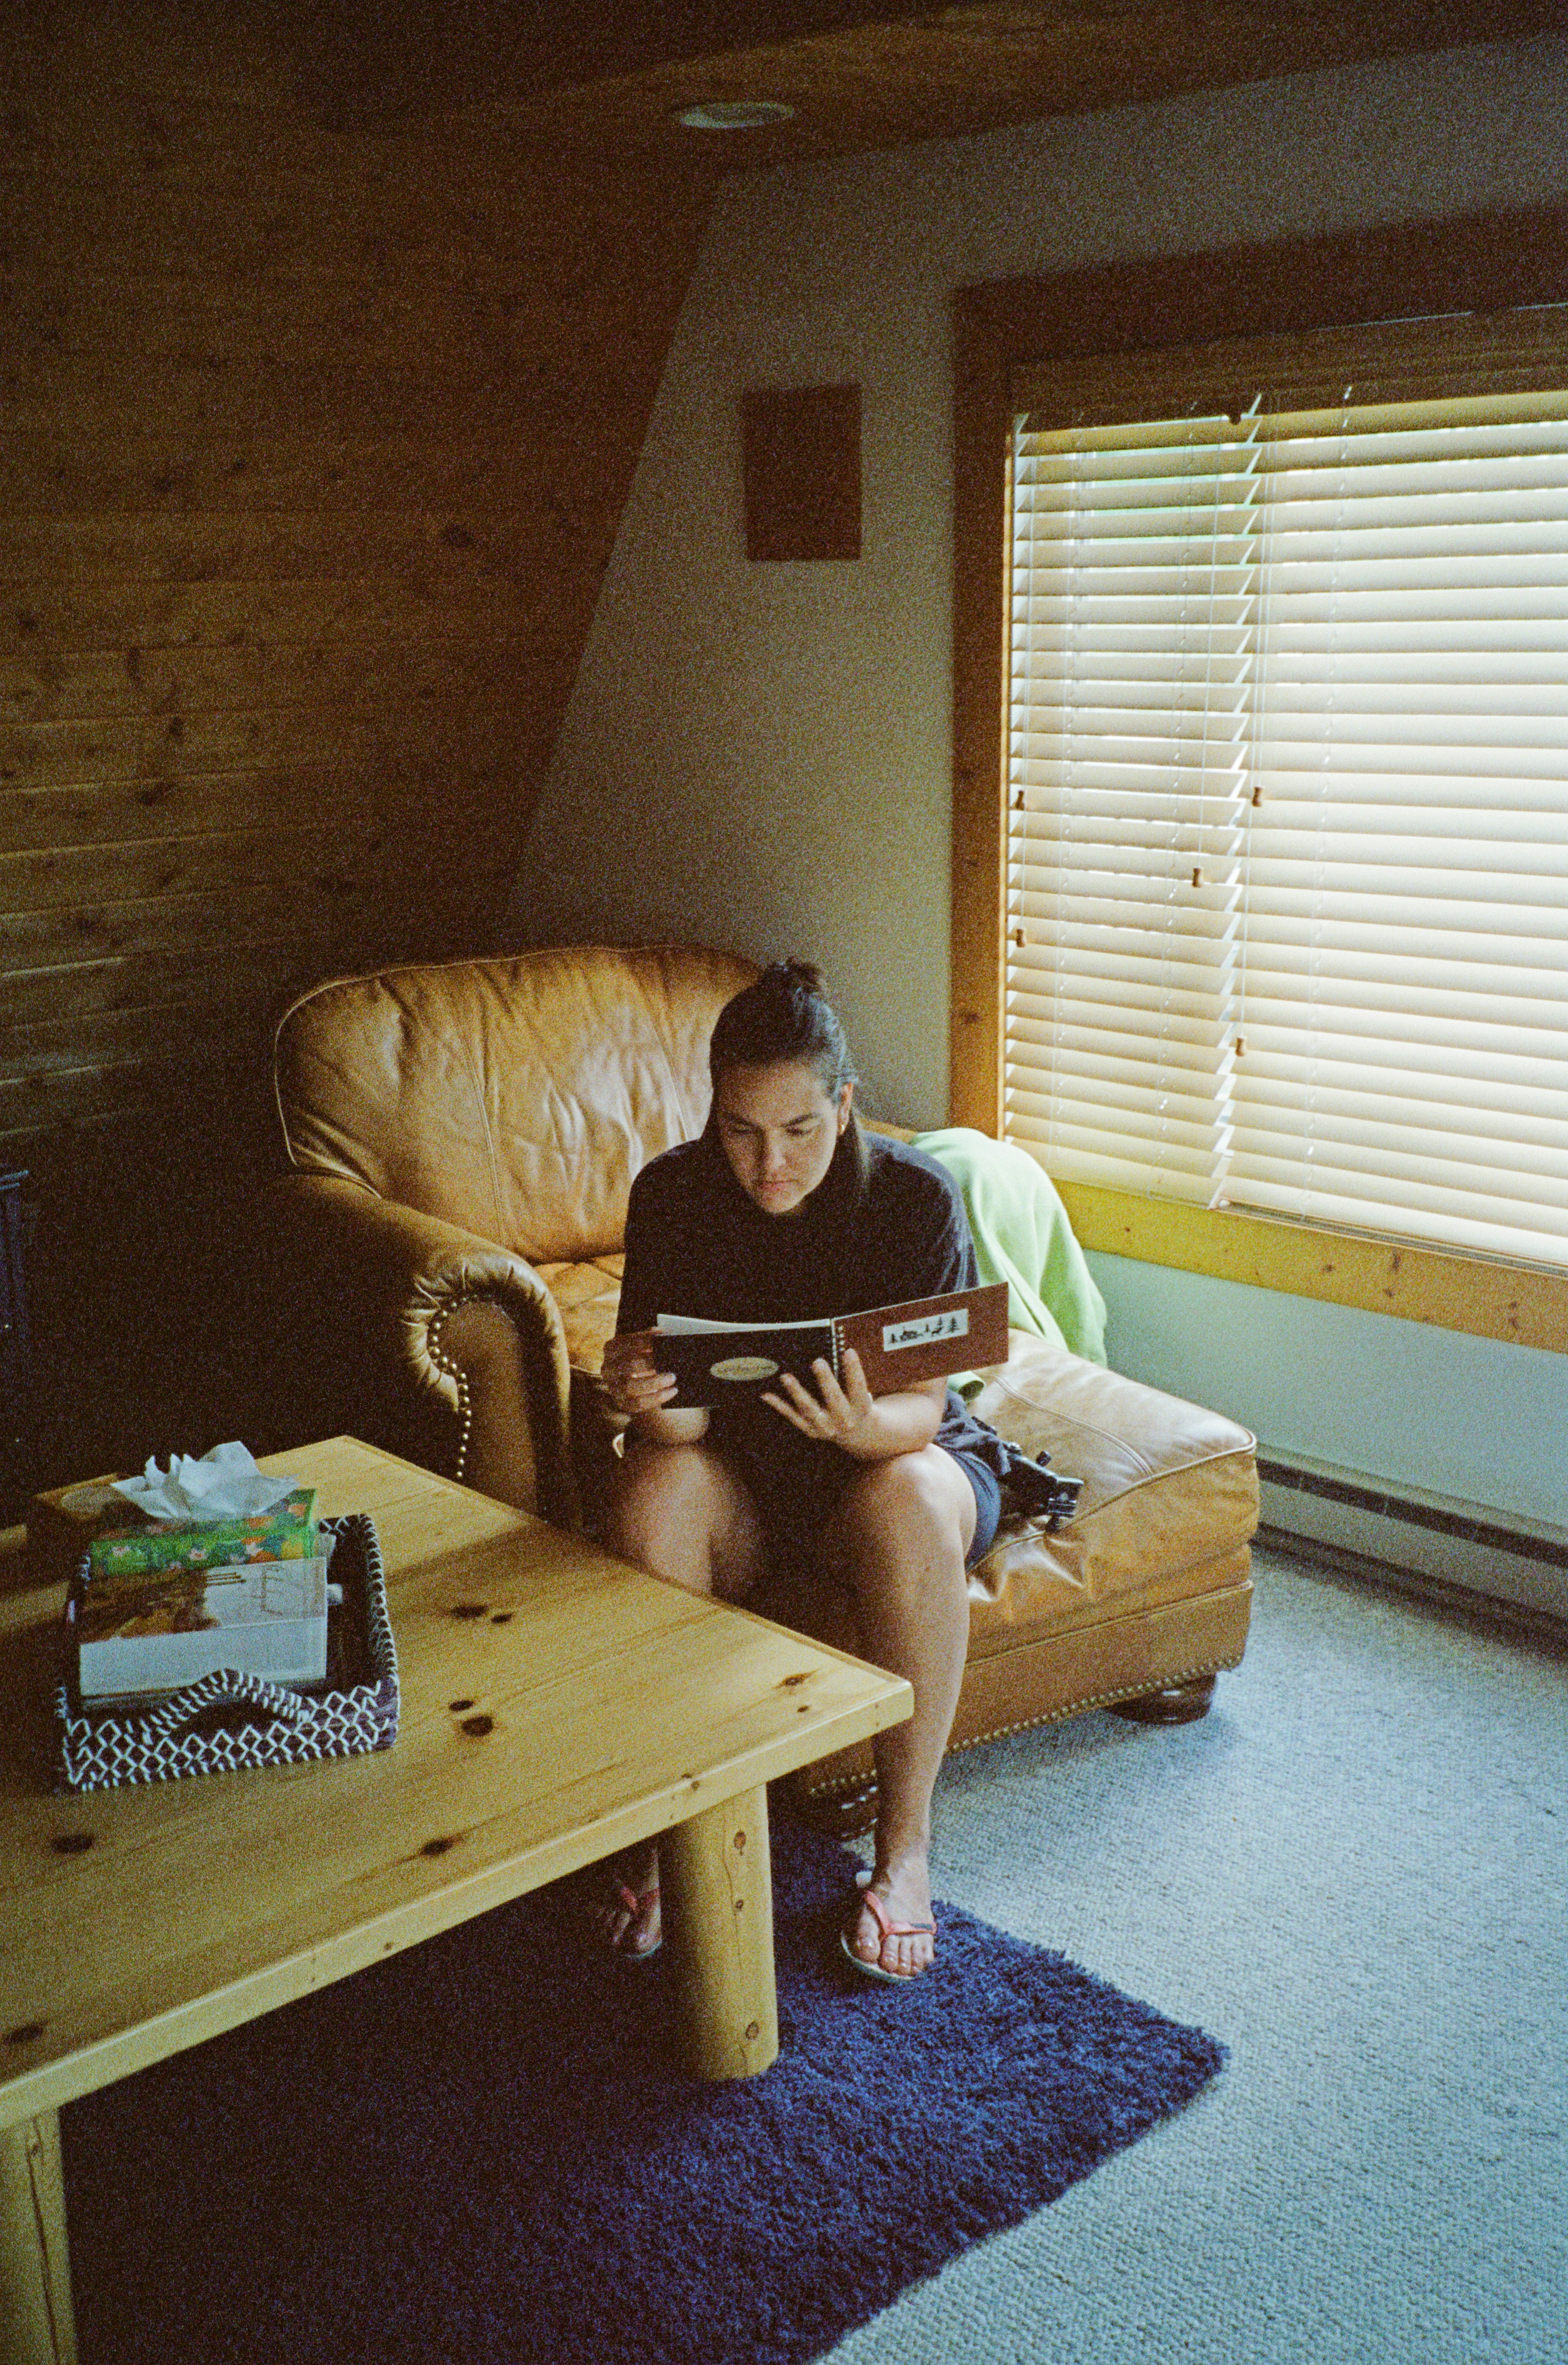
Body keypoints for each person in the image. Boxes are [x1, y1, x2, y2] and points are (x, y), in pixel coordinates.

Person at [596, 959, 1006, 1984]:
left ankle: (904, 1853)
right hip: (741, 1477)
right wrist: (648, 1400)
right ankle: (661, 1826)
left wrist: (858, 1424)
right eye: (739, 1130)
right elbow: (679, 1422)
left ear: (845, 1106)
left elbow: (921, 1412)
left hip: (887, 1465)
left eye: (798, 1131)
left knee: (912, 1498)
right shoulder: (672, 1193)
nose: (767, 1163)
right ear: (712, 1112)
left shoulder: (915, 1198)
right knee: (647, 1487)